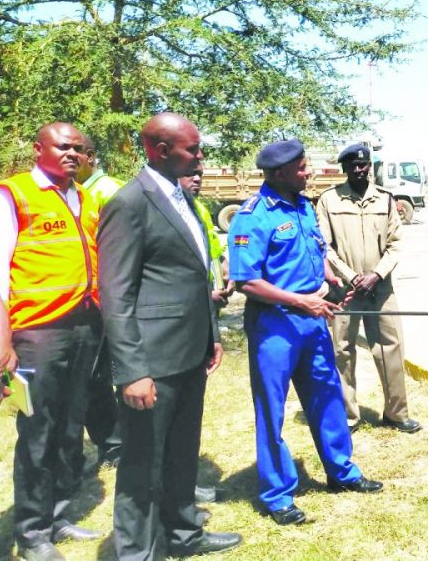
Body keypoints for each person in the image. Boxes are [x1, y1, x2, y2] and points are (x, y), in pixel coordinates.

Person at [97, 112, 242, 560]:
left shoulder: (181, 198)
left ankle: (182, 534)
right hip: (152, 362)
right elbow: (116, 295)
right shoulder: (130, 203)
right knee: (142, 465)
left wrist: (212, 334)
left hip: (189, 353)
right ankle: (136, 551)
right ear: (160, 151)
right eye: (192, 149)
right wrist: (132, 371)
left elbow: (195, 275)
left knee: (183, 452)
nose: (200, 157)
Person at [228, 138, 382, 527]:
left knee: (327, 395)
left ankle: (342, 472)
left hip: (313, 321)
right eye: (301, 167)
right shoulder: (253, 216)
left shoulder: (302, 206)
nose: (308, 171)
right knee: (272, 410)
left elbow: (313, 252)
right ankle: (278, 494)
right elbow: (246, 281)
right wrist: (301, 302)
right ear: (279, 173)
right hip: (275, 325)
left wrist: (330, 281)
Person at [0, 122, 103, 561]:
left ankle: (57, 513)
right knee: (38, 432)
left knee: (68, 426)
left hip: (84, 328)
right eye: (63, 146)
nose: (72, 153)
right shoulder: (13, 195)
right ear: (38, 148)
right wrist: (3, 341)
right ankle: (32, 532)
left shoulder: (85, 197)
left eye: (79, 148)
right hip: (36, 334)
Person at [316, 143, 421, 434]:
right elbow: (326, 246)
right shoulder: (328, 200)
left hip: (380, 289)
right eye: (353, 166)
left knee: (390, 348)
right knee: (342, 351)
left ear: (370, 167)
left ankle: (397, 414)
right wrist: (350, 277)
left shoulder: (385, 200)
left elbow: (396, 244)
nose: (360, 170)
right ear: (345, 169)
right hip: (345, 290)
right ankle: (348, 416)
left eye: (364, 165)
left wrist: (377, 274)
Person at [74, 135, 125, 469]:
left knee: (102, 378)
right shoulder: (73, 194)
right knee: (89, 380)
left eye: (74, 153)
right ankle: (106, 445)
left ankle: (115, 446)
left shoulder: (108, 191)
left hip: (106, 301)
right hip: (79, 306)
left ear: (90, 157)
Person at [180, 166, 235, 309]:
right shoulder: (163, 211)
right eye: (189, 173)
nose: (197, 179)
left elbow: (213, 251)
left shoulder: (199, 209)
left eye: (200, 174)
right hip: (186, 308)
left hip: (209, 308)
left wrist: (227, 270)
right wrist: (204, 298)